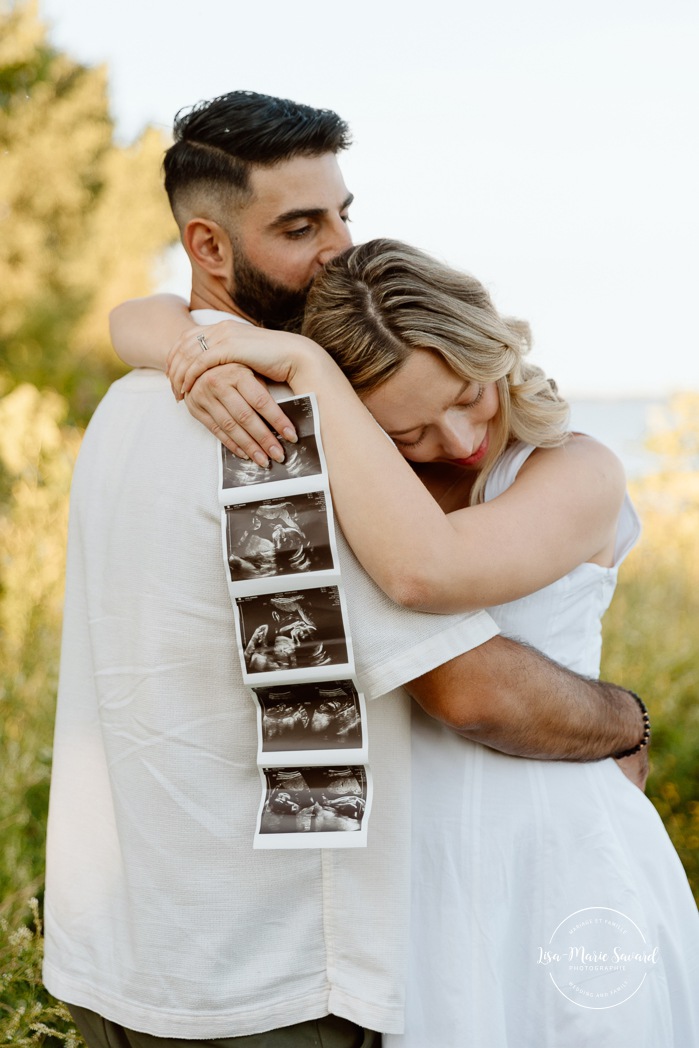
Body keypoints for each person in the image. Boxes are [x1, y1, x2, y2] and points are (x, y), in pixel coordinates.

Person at [45, 90, 652, 1048]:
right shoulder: (275, 440)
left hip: (128, 950)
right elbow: (465, 684)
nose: (337, 250)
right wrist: (626, 721)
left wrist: (187, 340)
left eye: (342, 214)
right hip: (267, 967)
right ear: (208, 246)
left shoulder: (128, 405)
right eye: (299, 228)